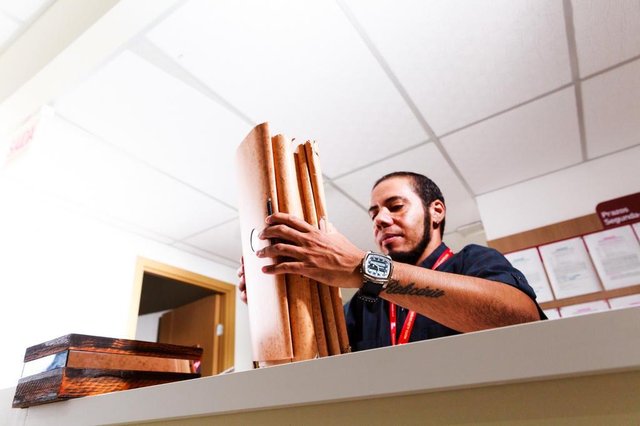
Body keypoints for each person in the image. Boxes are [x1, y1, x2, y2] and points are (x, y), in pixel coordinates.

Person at [238, 171, 545, 351]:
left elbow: (522, 320)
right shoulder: (366, 301)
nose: (381, 220)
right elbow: (316, 351)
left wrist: (363, 267)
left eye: (395, 206)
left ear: (436, 211)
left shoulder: (472, 260)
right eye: (374, 214)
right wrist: (274, 302)